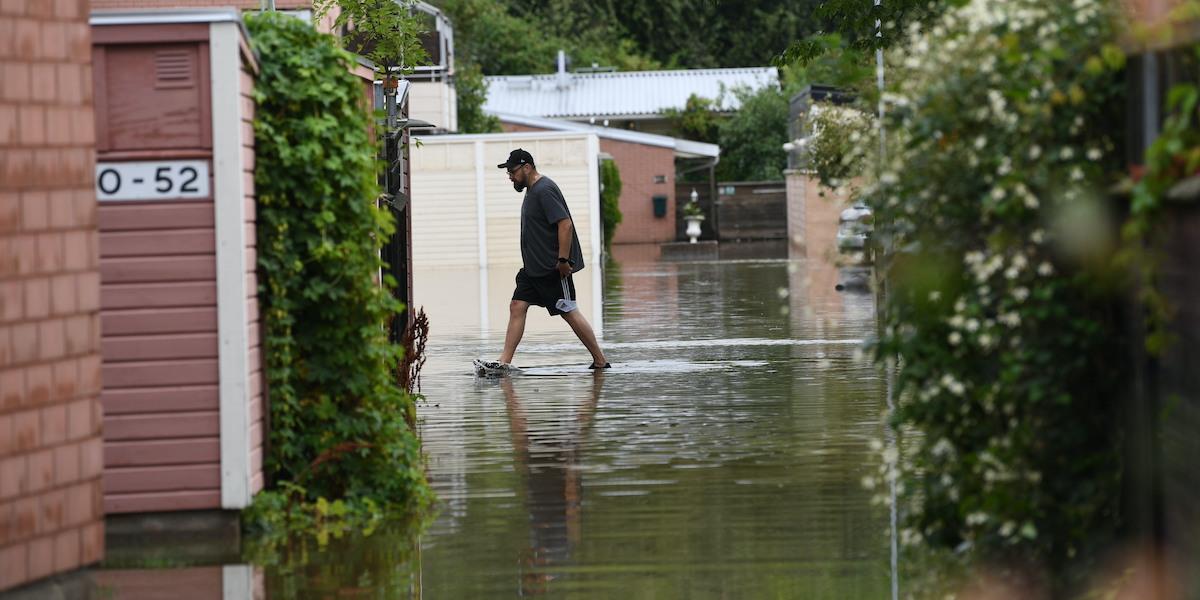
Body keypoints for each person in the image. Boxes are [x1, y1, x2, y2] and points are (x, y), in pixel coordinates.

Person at [474, 149, 610, 376]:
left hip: (552, 268)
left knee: (568, 311)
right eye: (508, 172)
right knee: (517, 306)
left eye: (512, 171)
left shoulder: (544, 190)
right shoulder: (532, 190)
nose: (509, 176)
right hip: (532, 270)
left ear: (527, 167)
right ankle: (504, 362)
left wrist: (564, 261)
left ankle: (600, 361)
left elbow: (565, 224)